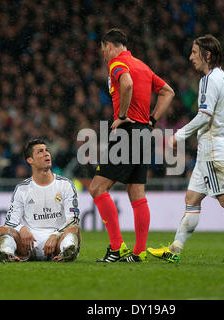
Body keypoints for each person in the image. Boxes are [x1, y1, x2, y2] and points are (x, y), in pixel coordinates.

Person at [148, 34, 224, 264]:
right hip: (213, 148)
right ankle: (175, 249)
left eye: (194, 52)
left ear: (207, 55)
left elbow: (204, 115)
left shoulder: (209, 80)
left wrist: (179, 136)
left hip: (211, 149)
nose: (190, 57)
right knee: (192, 198)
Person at [89, 28, 175, 263]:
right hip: (144, 132)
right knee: (136, 192)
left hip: (127, 132)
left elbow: (126, 85)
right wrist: (153, 120)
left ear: (108, 46)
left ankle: (117, 248)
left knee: (97, 188)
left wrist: (123, 114)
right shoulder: (143, 66)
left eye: (103, 50)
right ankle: (139, 253)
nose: (104, 55)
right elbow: (168, 92)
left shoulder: (117, 63)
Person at [0, 139, 81, 262]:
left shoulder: (65, 185)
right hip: (29, 245)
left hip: (57, 241)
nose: (46, 154)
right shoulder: (22, 189)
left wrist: (55, 235)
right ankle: (6, 253)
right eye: (40, 151)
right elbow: (10, 221)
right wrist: (22, 229)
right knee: (3, 229)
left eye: (47, 151)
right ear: (30, 160)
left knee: (74, 229)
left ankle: (66, 251)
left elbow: (73, 219)